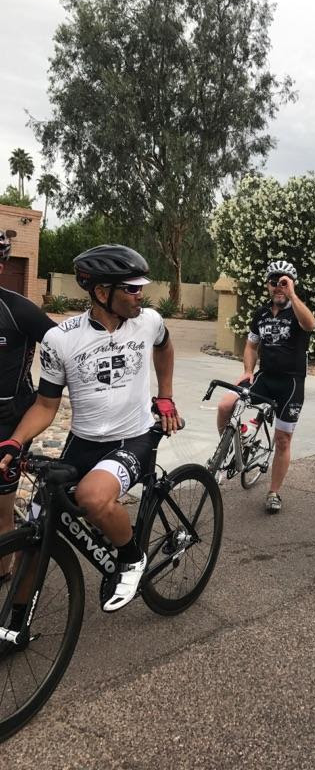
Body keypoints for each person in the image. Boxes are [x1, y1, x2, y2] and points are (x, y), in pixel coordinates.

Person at [0, 244, 181, 614]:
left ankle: (131, 557)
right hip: (83, 442)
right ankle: (12, 624)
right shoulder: (61, 339)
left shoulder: (149, 321)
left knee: (92, 497)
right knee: (38, 524)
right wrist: (16, 440)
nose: (140, 295)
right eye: (131, 288)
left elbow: (164, 347)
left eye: (140, 287)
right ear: (101, 292)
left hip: (133, 438)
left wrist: (165, 396)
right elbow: (46, 405)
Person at [216, 260, 315, 513]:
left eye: (284, 282)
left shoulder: (298, 311)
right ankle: (230, 450)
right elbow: (251, 346)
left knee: (283, 440)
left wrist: (292, 294)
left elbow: (310, 324)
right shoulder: (260, 314)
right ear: (268, 285)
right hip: (265, 377)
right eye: (274, 282)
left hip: (291, 383)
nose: (278, 286)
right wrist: (248, 371)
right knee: (226, 404)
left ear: (291, 284)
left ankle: (273, 492)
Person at [0, 228, 55, 570]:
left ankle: (3, 574)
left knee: (0, 512)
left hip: (8, 421)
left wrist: (43, 398)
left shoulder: (18, 310)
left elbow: (65, 350)